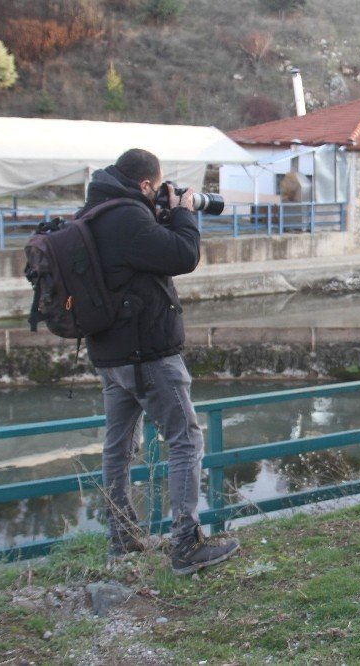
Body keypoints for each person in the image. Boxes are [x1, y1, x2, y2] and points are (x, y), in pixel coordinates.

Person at [82, 147, 239, 573]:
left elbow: (139, 259)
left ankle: (123, 537)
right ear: (147, 185)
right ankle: (186, 545)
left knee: (118, 446)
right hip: (147, 353)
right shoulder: (128, 218)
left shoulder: (93, 212)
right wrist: (185, 212)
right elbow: (183, 256)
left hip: (110, 355)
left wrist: (164, 217)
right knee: (186, 440)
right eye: (159, 186)